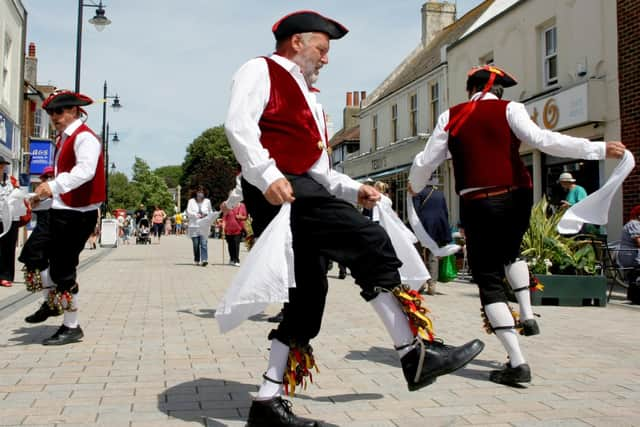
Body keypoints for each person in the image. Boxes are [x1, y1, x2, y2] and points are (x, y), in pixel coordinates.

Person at [225, 11, 484, 426]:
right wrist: (268, 174)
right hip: (279, 189)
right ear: (297, 43)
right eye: (322, 49)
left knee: (308, 295)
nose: (326, 59)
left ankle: (267, 400)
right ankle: (413, 352)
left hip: (299, 186)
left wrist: (352, 189)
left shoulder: (310, 97)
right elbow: (239, 127)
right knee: (368, 240)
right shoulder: (260, 69)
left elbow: (320, 170)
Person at [409, 64, 626, 386]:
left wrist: (415, 184)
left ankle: (517, 361)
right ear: (498, 91)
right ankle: (525, 312)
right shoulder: (512, 108)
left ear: (471, 89)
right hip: (516, 197)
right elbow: (543, 139)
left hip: (478, 201)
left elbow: (428, 160)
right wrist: (596, 149)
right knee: (511, 252)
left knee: (488, 279)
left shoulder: (451, 115)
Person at [26, 89, 105, 345]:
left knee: (62, 270)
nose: (54, 117)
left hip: (78, 215)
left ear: (73, 110)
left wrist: (54, 186)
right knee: (33, 256)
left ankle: (71, 326)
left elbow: (85, 171)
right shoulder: (63, 139)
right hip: (60, 210)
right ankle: (53, 303)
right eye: (50, 113)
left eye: (59, 111)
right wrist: (44, 195)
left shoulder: (85, 138)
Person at [412, 177, 452, 295]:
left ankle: (421, 282)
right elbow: (445, 211)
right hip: (438, 227)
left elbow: (415, 212)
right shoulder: (440, 194)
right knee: (433, 255)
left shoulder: (418, 193)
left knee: (419, 254)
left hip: (422, 227)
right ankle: (432, 284)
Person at [0, 155, 20, 287]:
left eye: (2, 165)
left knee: (9, 247)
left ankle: (7, 276)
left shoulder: (12, 180)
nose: (1, 167)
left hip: (12, 217)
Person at [186, 186, 214, 266]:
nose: (200, 193)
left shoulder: (207, 201)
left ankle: (204, 259)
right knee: (196, 245)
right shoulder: (191, 201)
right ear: (196, 193)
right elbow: (188, 212)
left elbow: (210, 211)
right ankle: (197, 259)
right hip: (194, 226)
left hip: (204, 226)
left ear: (204, 193)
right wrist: (196, 215)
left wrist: (206, 215)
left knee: (204, 243)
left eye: (202, 192)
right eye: (199, 192)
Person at [221, 199, 247, 266]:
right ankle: (232, 259)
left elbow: (245, 217)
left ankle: (237, 260)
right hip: (228, 230)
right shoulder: (227, 206)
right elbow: (224, 218)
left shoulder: (242, 206)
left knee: (236, 244)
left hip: (238, 229)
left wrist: (240, 217)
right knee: (230, 245)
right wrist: (223, 228)